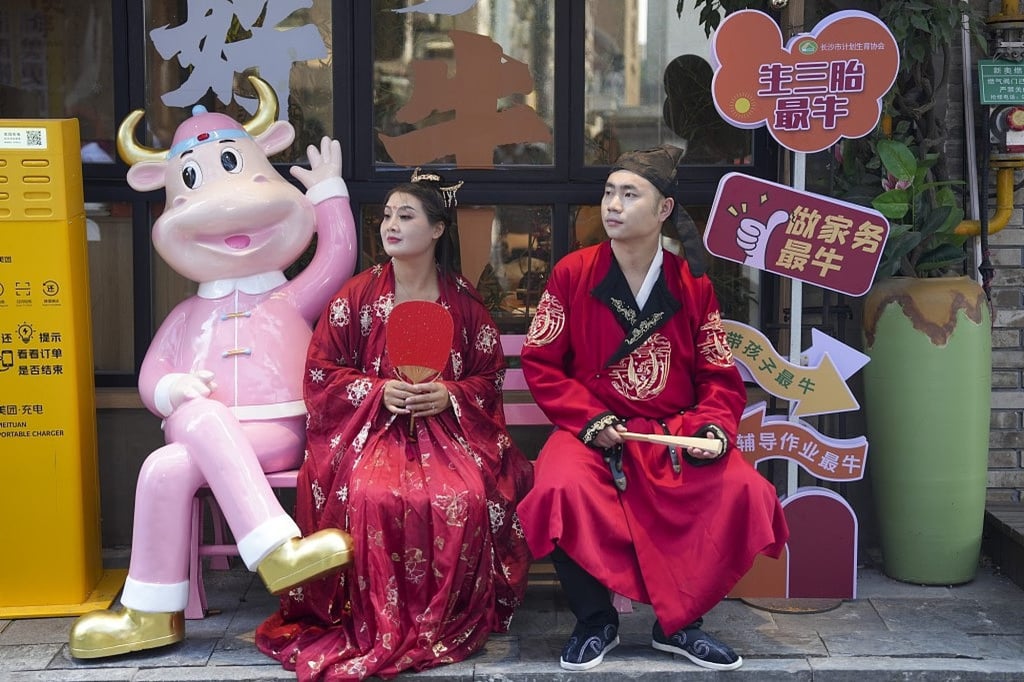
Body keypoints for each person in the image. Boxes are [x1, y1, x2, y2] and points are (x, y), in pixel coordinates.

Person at [516, 144, 789, 672]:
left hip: (674, 432)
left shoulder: (693, 283)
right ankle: (596, 621)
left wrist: (713, 427)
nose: (612, 205)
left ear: (663, 210)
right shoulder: (574, 274)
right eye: (608, 193)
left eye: (629, 194)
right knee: (558, 486)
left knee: (742, 488)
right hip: (593, 430)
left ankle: (679, 624)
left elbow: (717, 374)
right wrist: (591, 421)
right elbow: (541, 362)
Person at [256, 169, 534, 681]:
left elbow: (488, 375)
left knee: (467, 496)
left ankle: (441, 618)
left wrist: (448, 395)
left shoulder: (463, 302)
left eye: (406, 216)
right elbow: (321, 373)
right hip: (371, 434)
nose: (391, 225)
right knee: (369, 496)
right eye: (387, 215)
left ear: (436, 229)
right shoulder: (357, 296)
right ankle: (375, 619)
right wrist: (379, 390)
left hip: (450, 436)